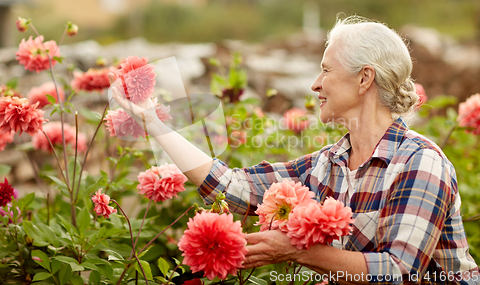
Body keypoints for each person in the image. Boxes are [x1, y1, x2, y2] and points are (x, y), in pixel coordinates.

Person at [109, 16, 479, 285]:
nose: (315, 84)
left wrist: (297, 251)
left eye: (325, 70)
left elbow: (398, 272)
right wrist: (151, 122)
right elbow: (233, 186)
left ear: (365, 78)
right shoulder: (328, 164)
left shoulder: (420, 161)